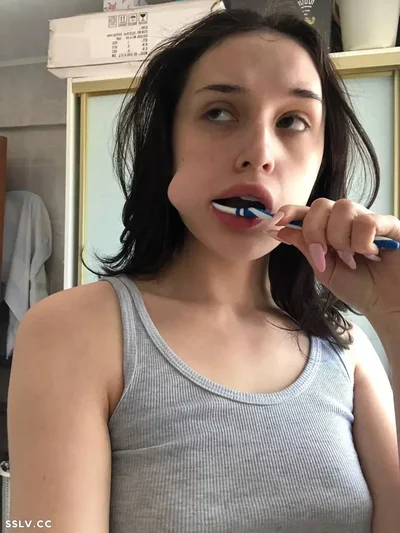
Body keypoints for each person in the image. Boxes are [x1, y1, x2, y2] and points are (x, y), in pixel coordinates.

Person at [6, 8, 400, 533]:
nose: (259, 154)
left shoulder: (347, 351)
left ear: (321, 160)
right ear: (167, 145)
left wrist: (395, 315)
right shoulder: (72, 332)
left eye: (292, 121)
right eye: (219, 113)